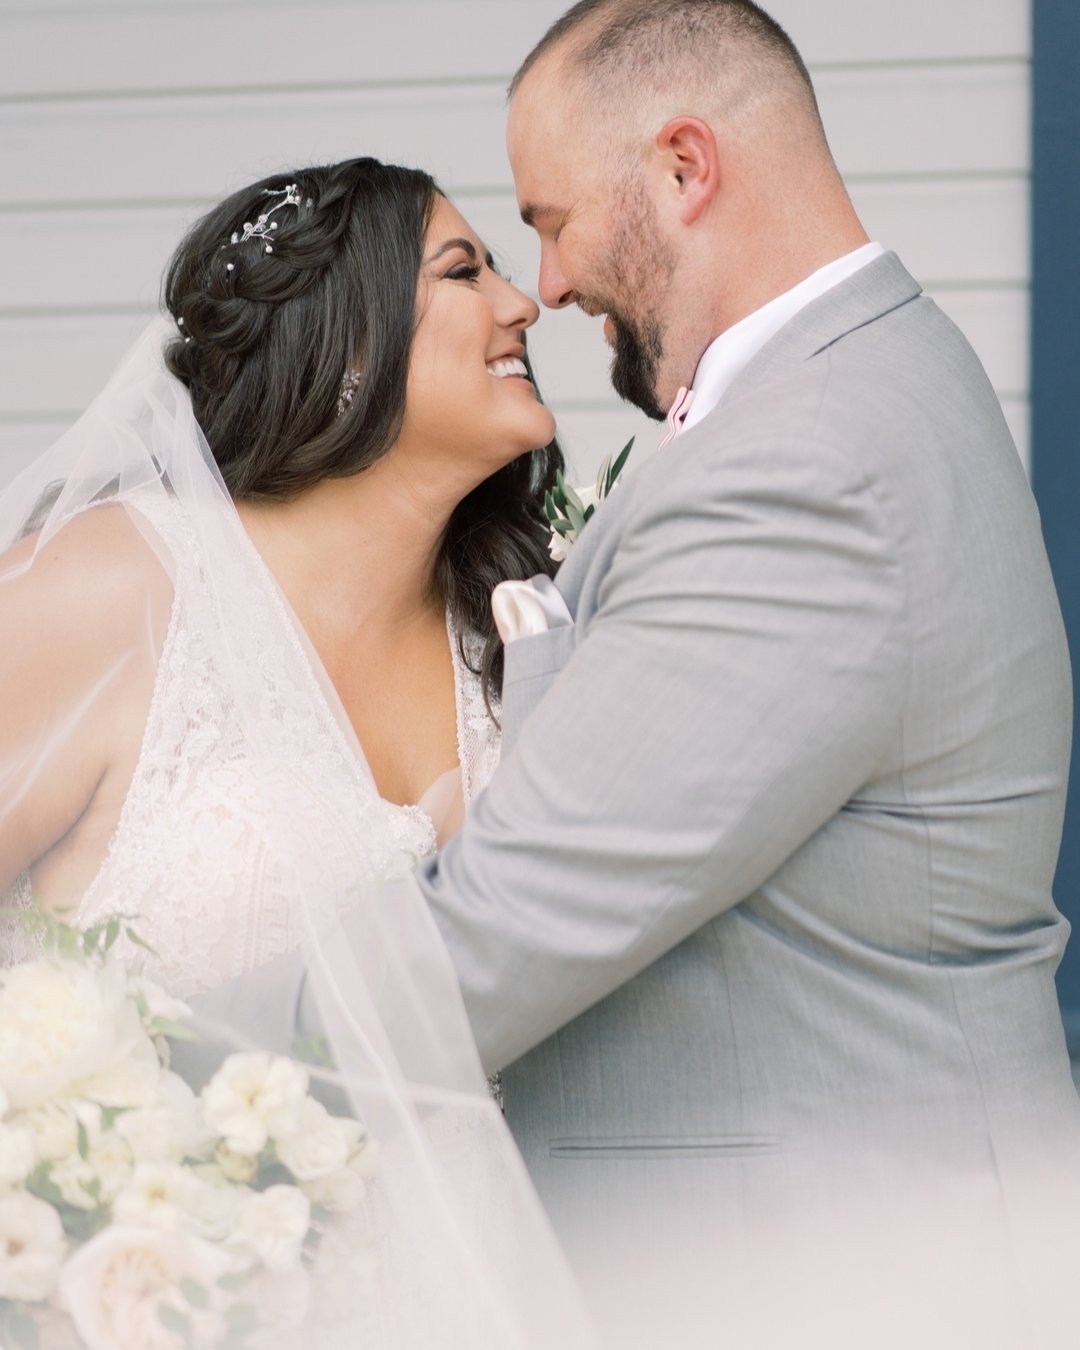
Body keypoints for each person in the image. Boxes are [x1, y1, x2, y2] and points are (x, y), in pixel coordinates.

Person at [221, 2, 1080, 1345]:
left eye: (555, 222)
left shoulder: (808, 461)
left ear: (685, 167)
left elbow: (508, 928)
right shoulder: (851, 385)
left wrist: (136, 1070)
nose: (550, 285)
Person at [0, 156, 596, 1348]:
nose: (524, 302)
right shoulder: (111, 587)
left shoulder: (521, 636)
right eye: (465, 271)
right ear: (351, 343)